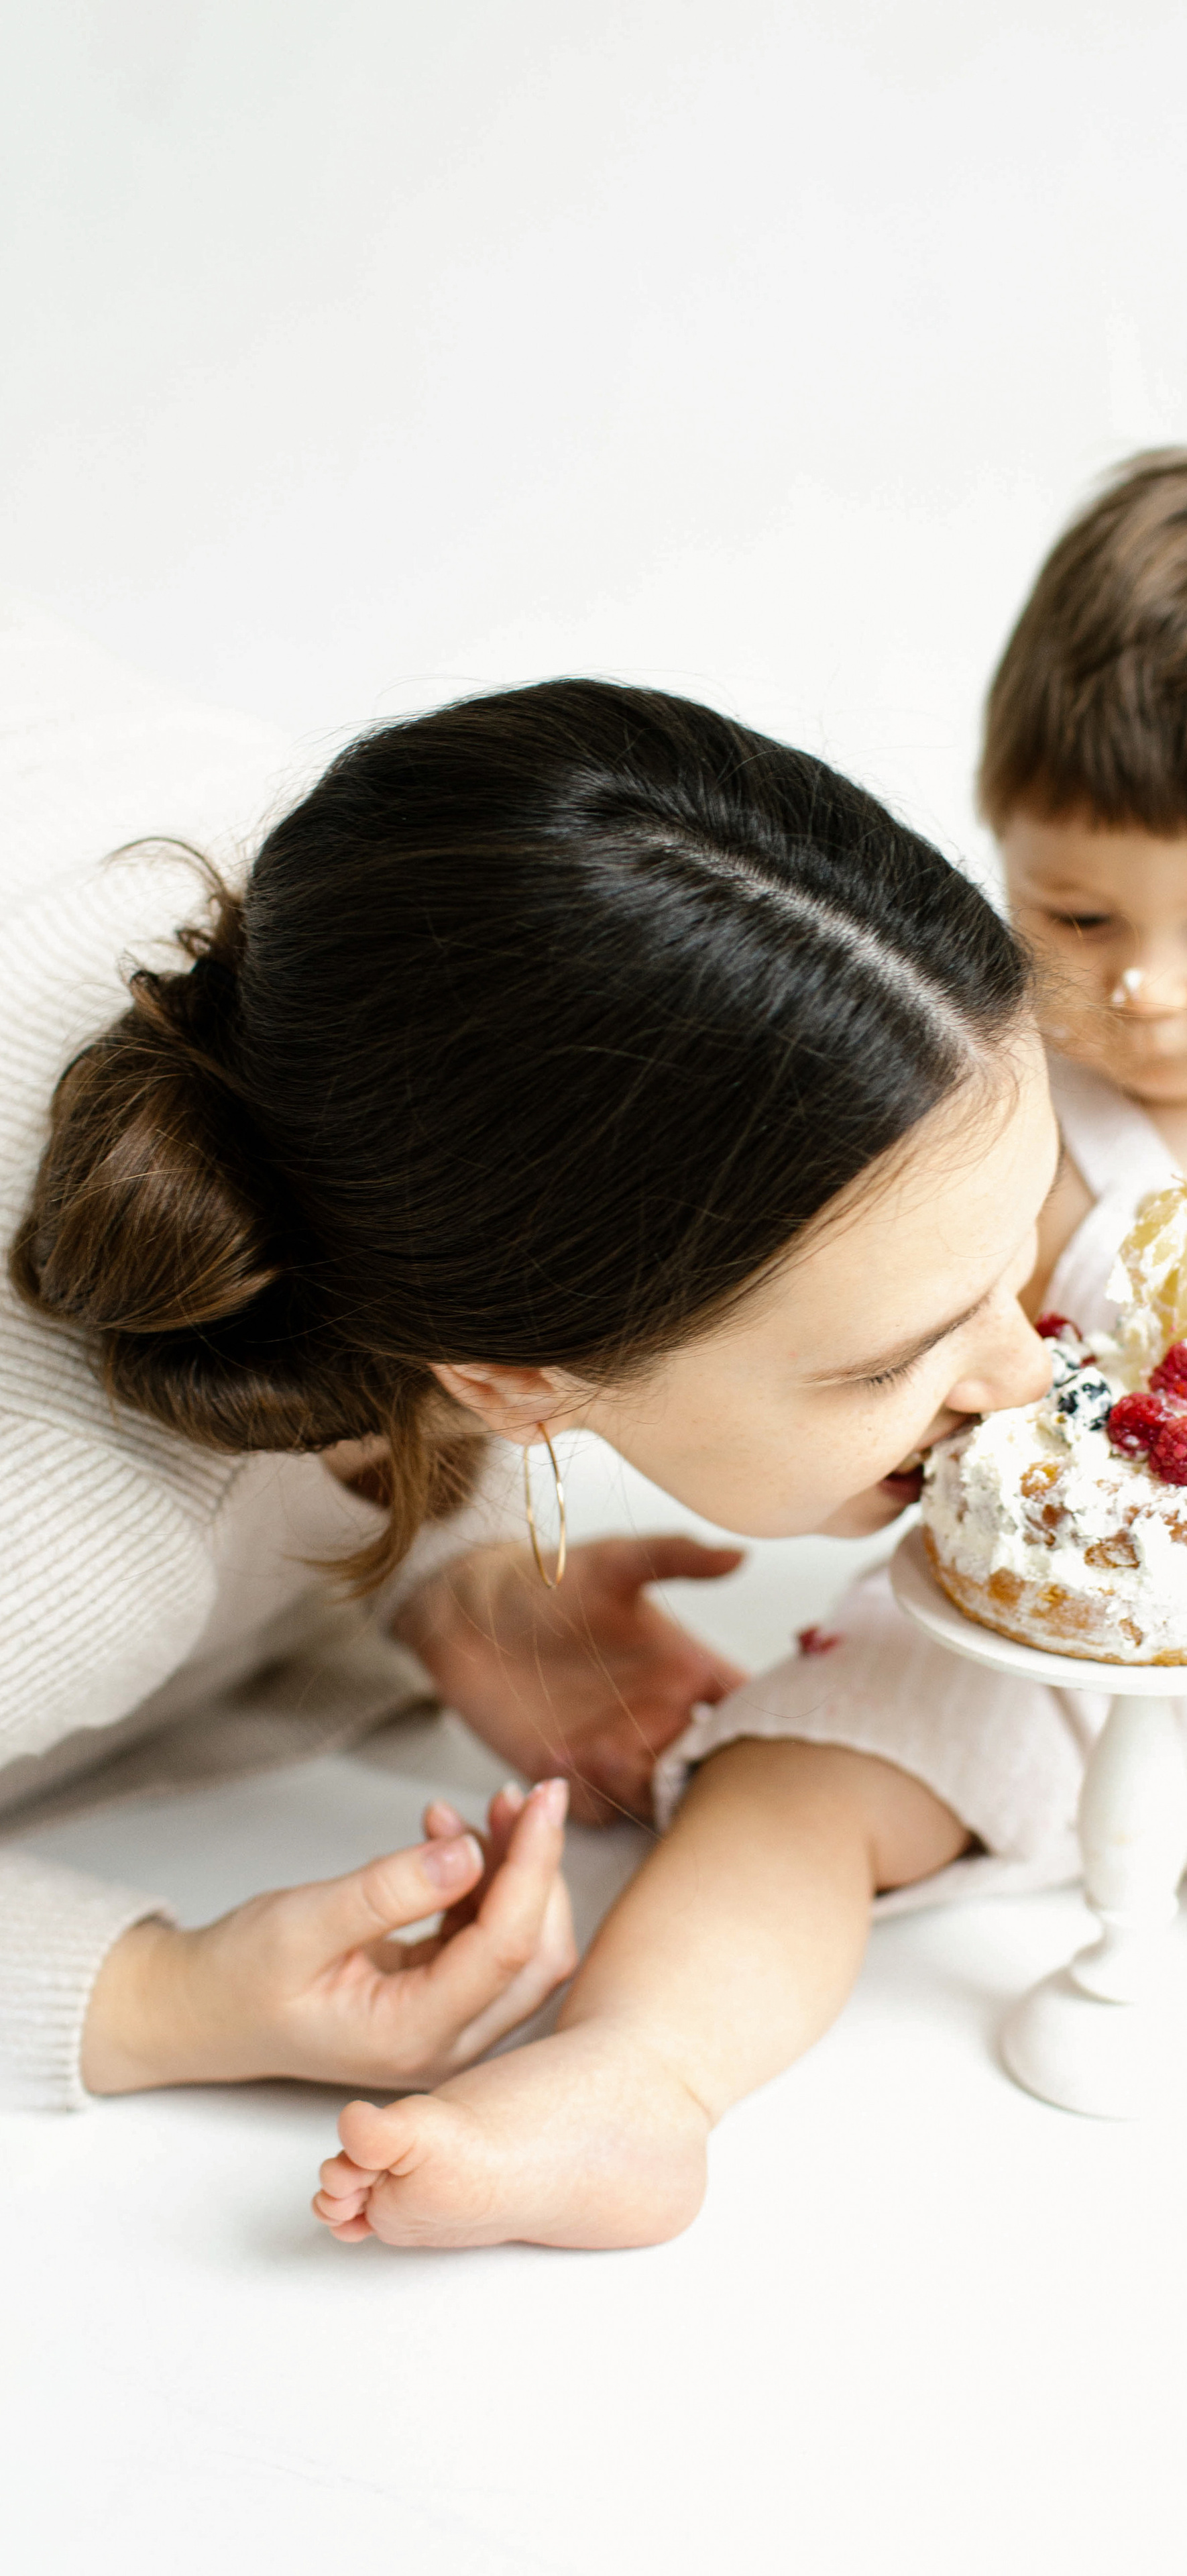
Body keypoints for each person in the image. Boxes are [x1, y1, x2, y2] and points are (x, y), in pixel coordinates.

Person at [316, 455, 1187, 2312]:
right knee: (790, 1798)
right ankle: (632, 2081)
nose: (1138, 990)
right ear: (1001, 845)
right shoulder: (986, 1098)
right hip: (1026, 1596)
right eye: (1073, 915)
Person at [2, 671, 1054, 2113]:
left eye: (1023, 1250)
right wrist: (157, 2000)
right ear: (515, 1382)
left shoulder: (406, 903)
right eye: (893, 1360)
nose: (1030, 1374)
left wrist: (439, 1569)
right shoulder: (53, 1541)